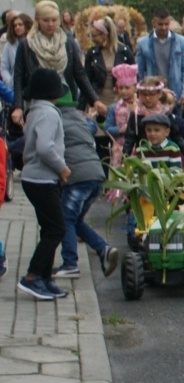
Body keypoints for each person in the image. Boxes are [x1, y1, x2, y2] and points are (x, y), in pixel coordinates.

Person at [16, 69, 70, 300]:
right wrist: (62, 168)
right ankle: (32, 276)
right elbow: (45, 147)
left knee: (49, 228)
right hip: (42, 178)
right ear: (53, 92)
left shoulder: (35, 111)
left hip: (33, 178)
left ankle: (45, 279)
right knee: (57, 228)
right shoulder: (49, 113)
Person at [53, 89, 118, 280]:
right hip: (96, 175)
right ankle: (103, 249)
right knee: (76, 220)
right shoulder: (80, 120)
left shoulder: (57, 121)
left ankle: (70, 263)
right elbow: (91, 127)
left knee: (65, 219)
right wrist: (90, 118)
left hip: (77, 178)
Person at [15, 2, 97, 114]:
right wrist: (18, 107)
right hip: (37, 102)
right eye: (46, 20)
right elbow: (18, 77)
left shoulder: (67, 43)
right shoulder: (26, 45)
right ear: (38, 20)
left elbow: (79, 73)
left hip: (66, 99)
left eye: (54, 20)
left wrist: (94, 99)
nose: (50, 24)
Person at [135, 9, 184, 111]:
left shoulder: (182, 42)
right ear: (154, 23)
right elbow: (139, 72)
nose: (164, 27)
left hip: (176, 95)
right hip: (152, 95)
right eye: (160, 24)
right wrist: (140, 94)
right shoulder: (142, 43)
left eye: (167, 24)